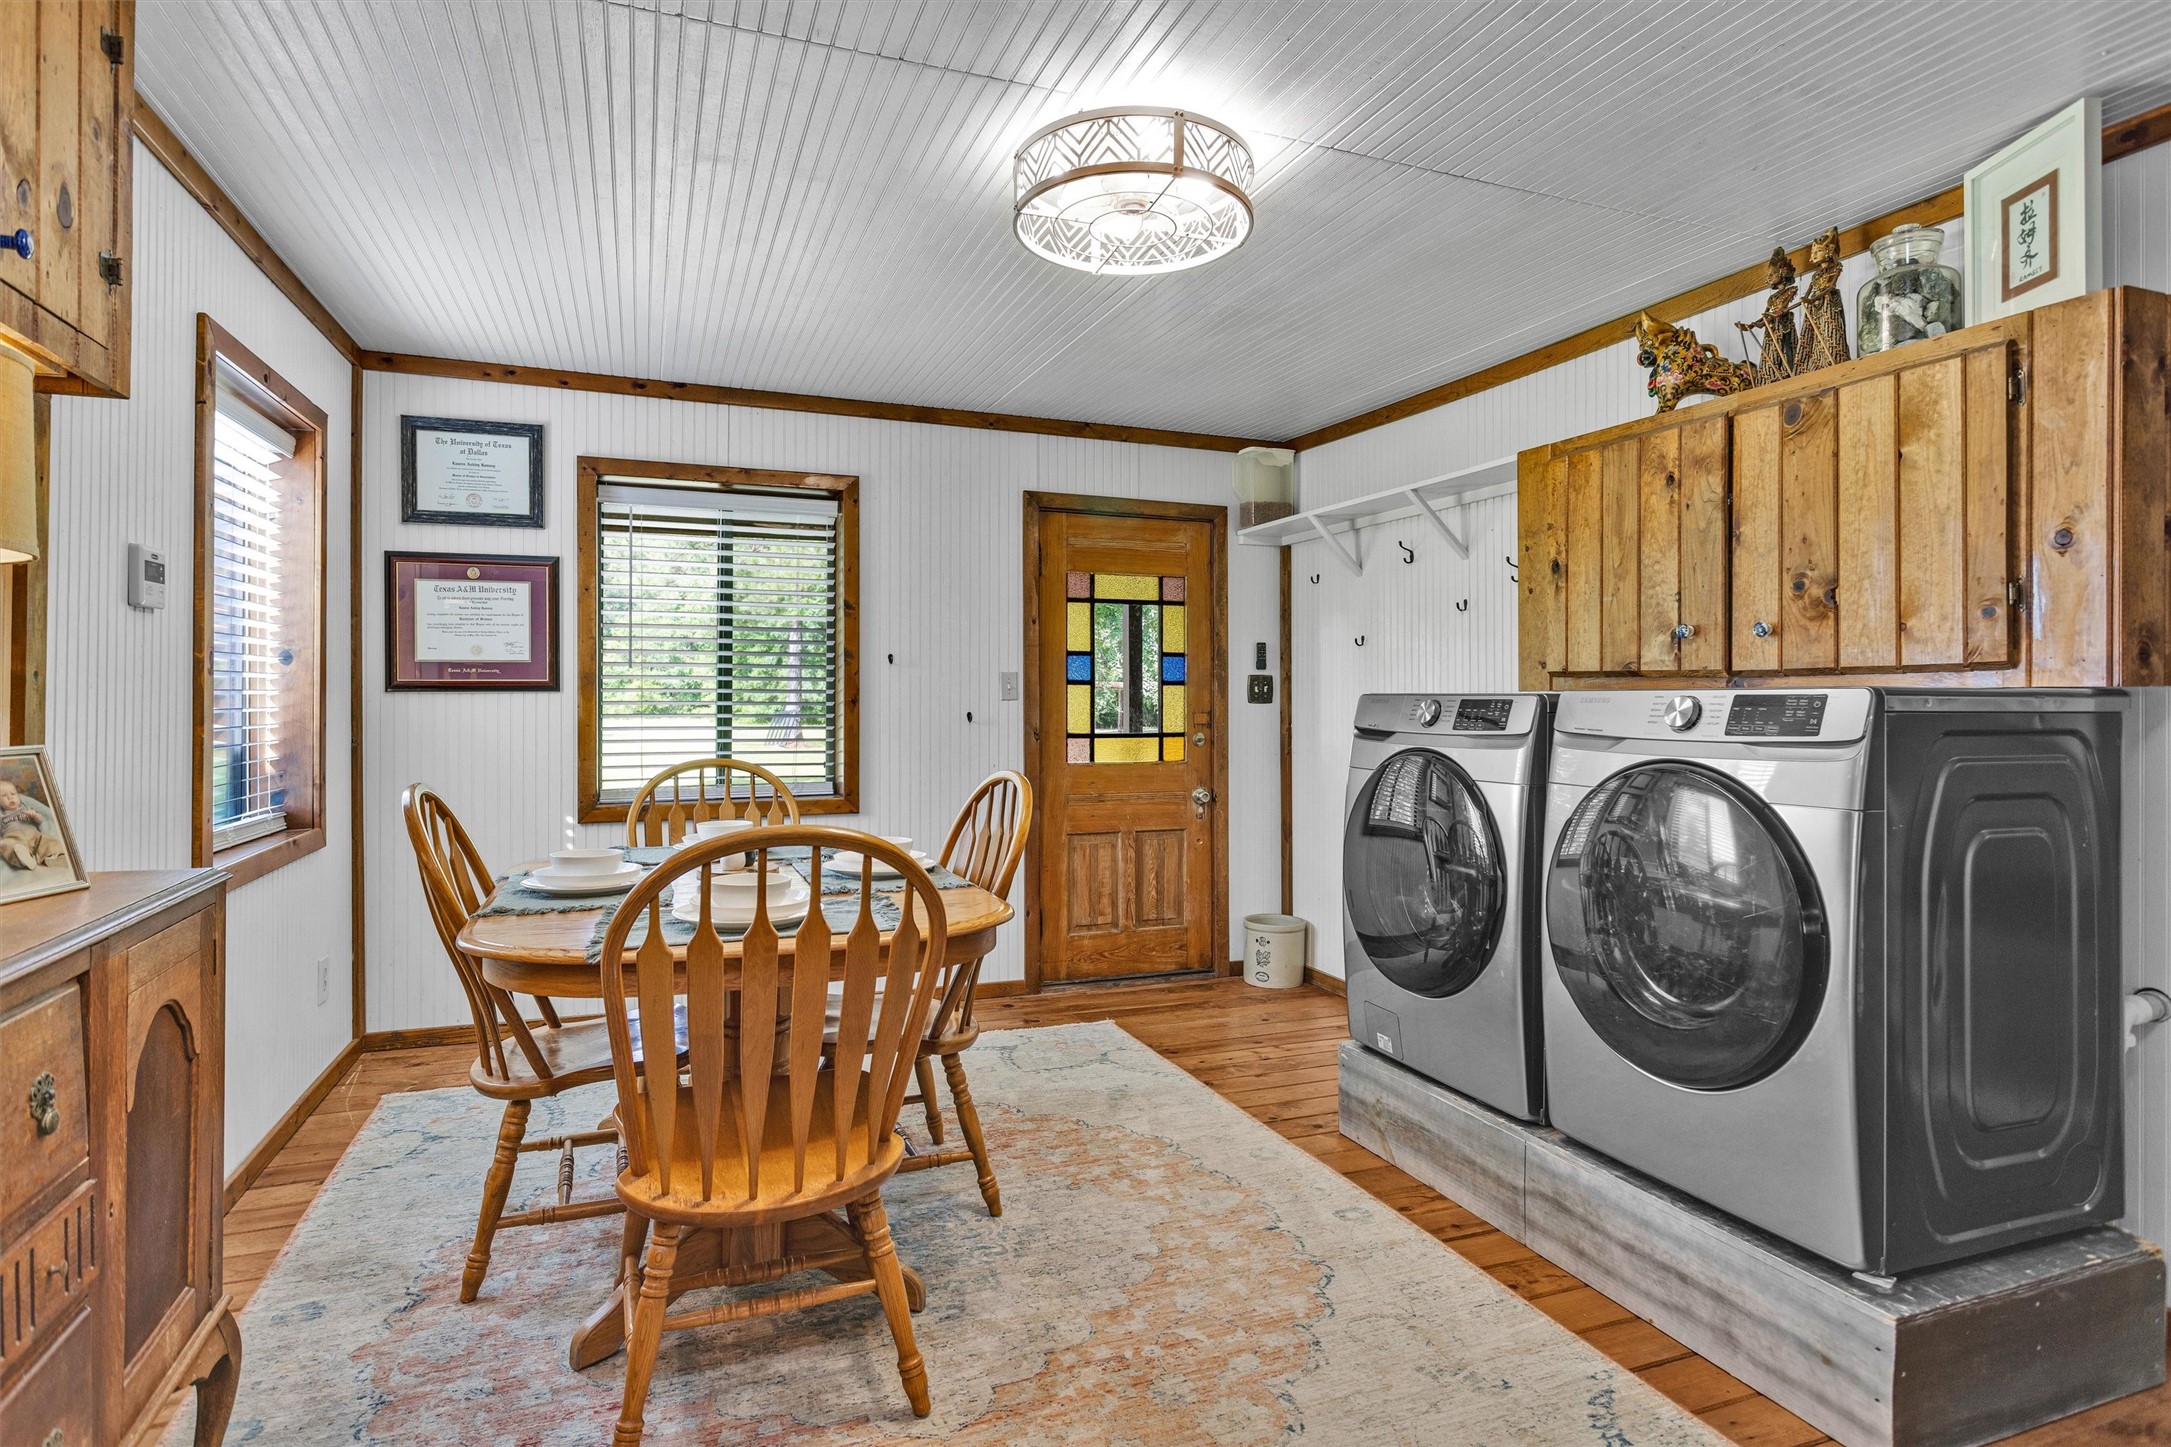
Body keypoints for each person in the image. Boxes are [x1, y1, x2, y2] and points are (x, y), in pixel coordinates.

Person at [0, 779, 65, 870]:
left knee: (46, 840)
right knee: (6, 845)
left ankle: (54, 856)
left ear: (19, 796)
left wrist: (35, 815)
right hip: (13, 837)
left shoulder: (26, 807)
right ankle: (22, 858)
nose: (10, 797)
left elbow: (40, 821)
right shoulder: (2, 816)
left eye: (13, 794)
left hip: (33, 835)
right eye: (4, 795)